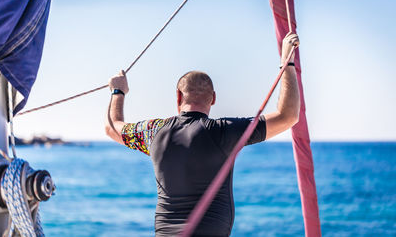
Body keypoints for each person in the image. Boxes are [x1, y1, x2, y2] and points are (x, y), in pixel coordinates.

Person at [105, 33, 300, 237]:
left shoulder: (153, 131)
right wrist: (287, 61)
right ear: (213, 99)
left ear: (178, 96)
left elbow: (112, 128)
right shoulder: (224, 131)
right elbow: (288, 116)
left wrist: (118, 91)